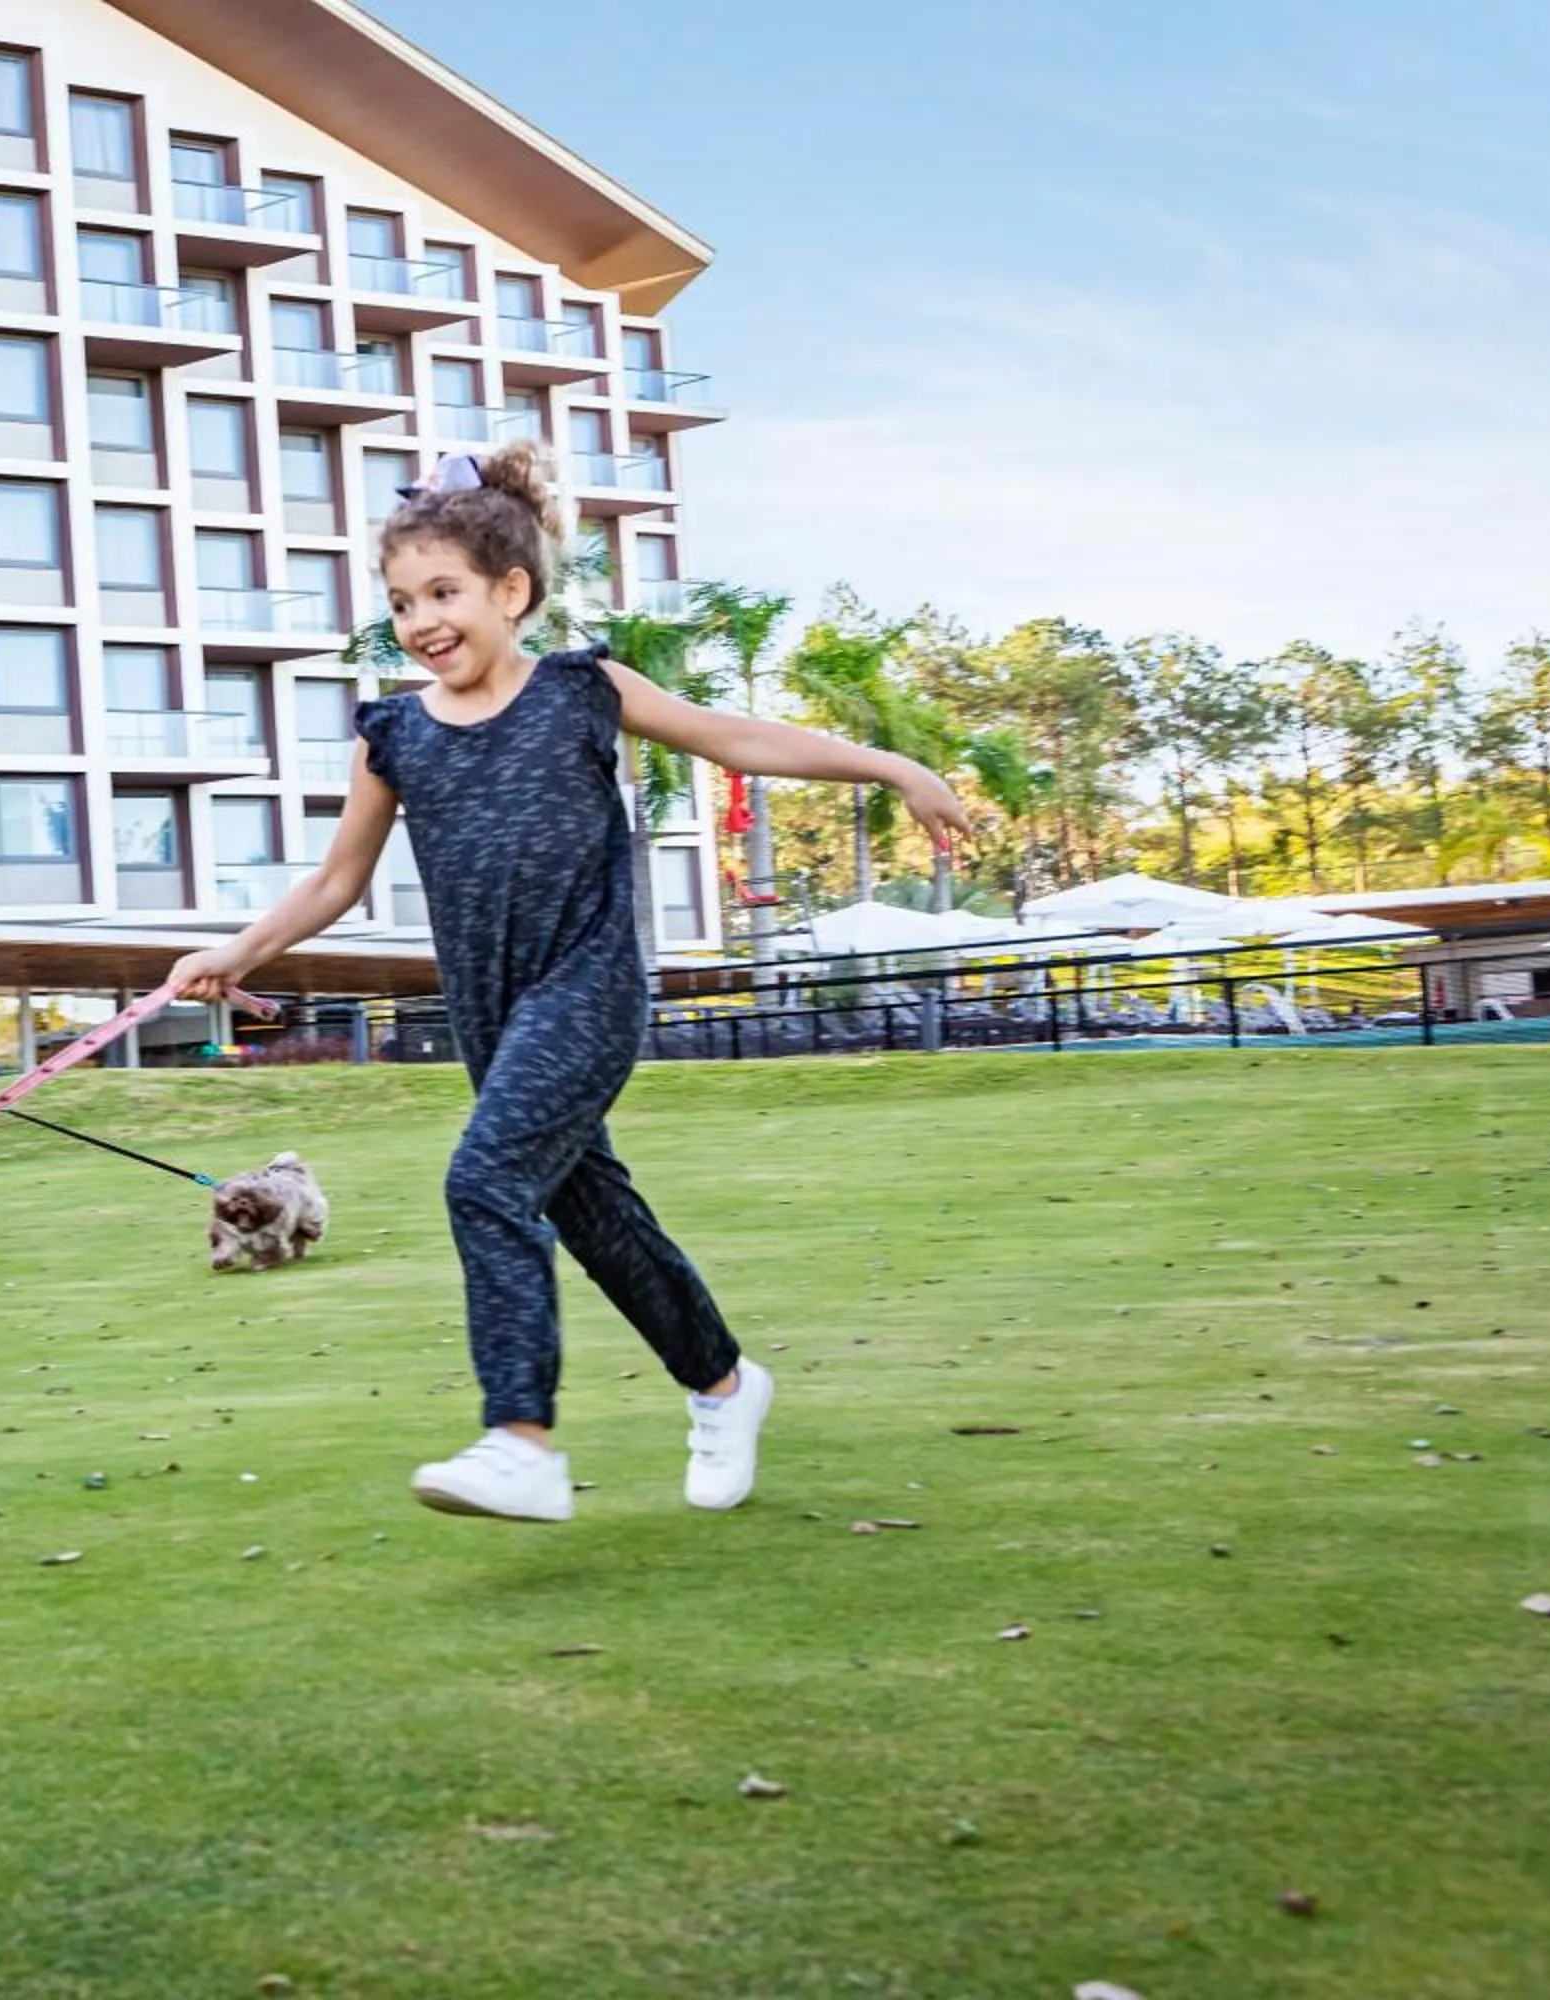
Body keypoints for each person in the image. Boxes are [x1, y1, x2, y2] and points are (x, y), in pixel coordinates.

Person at [168, 443, 972, 1523]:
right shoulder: (392, 736)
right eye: (402, 600)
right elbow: (335, 880)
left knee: (481, 1180)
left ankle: (521, 1437)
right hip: (490, 1013)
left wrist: (894, 764)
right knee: (594, 1214)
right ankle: (726, 1385)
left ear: (511, 591)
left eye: (443, 591)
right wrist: (237, 951)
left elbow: (734, 736)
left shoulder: (579, 691)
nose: (421, 618)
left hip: (588, 983)